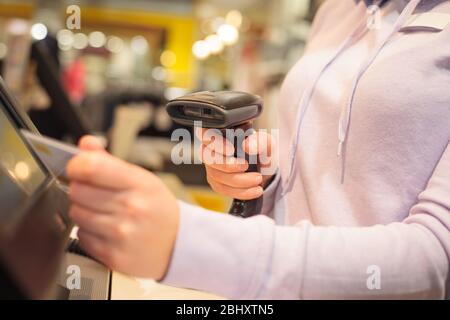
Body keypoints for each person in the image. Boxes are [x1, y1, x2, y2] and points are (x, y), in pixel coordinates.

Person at [67, 0, 450, 299]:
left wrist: (189, 241)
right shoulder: (337, 10)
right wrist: (263, 180)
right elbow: (324, 178)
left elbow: (434, 262)